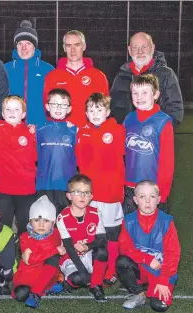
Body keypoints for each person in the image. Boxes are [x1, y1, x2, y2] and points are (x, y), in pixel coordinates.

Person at [76, 92, 125, 285]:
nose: (95, 113)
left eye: (99, 109)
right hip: (90, 195)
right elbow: (80, 162)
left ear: (108, 111)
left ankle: (111, 270)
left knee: (112, 233)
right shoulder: (82, 132)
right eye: (91, 110)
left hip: (110, 193)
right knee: (94, 233)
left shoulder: (117, 130)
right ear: (86, 113)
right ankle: (94, 267)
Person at [117, 180, 180, 312]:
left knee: (158, 306)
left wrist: (163, 280)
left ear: (159, 200)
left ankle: (153, 286)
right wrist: (147, 259)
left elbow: (173, 254)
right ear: (135, 199)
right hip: (141, 267)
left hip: (161, 270)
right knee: (122, 261)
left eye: (152, 196)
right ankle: (139, 293)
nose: (147, 201)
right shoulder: (129, 220)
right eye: (142, 196)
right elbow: (124, 247)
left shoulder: (166, 222)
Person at [122, 74, 174, 214]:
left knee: (154, 230)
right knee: (131, 226)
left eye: (145, 92)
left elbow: (167, 161)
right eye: (135, 93)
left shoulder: (163, 121)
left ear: (156, 94)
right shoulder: (129, 118)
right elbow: (121, 151)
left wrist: (162, 191)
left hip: (152, 188)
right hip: (130, 185)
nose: (139, 97)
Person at [110, 32, 183, 128]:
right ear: (129, 50)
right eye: (135, 47)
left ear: (152, 48)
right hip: (125, 136)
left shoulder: (166, 74)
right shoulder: (121, 75)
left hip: (153, 138)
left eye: (144, 46)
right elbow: (111, 107)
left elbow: (175, 111)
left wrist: (158, 132)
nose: (140, 52)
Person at [56, 175, 108, 302]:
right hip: (70, 257)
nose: (83, 196)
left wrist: (87, 246)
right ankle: (68, 281)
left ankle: (96, 286)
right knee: (79, 279)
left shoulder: (96, 213)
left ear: (91, 196)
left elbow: (102, 239)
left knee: (102, 252)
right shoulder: (62, 217)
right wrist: (82, 271)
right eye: (78, 192)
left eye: (86, 193)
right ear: (69, 196)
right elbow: (68, 246)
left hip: (88, 253)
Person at [0, 96, 37, 236]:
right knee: (3, 226)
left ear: (23, 115)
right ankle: (4, 255)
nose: (12, 112)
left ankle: (27, 255)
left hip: (26, 190)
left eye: (16, 109)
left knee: (26, 227)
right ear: (2, 113)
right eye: (8, 109)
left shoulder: (32, 133)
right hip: (2, 189)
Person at [43, 30, 109, 128]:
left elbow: (104, 107)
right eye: (69, 46)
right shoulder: (52, 76)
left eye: (77, 45)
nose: (73, 50)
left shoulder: (98, 76)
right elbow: (47, 107)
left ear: (84, 46)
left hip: (89, 132)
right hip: (63, 133)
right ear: (64, 48)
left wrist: (93, 127)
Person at [12, 195, 66, 309]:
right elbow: (31, 259)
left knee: (54, 257)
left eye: (46, 221)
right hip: (28, 276)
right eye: (36, 220)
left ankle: (37, 292)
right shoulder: (25, 237)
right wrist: (54, 250)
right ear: (30, 221)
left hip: (47, 274)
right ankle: (45, 288)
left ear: (53, 222)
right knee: (20, 294)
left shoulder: (57, 233)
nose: (41, 224)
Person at [4, 20, 54, 127]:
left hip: (40, 126)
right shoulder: (5, 69)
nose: (24, 48)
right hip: (12, 127)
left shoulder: (48, 69)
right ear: (15, 46)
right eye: (20, 44)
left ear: (34, 46)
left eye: (28, 43)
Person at [36, 89, 78, 214]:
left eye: (63, 104)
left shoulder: (75, 131)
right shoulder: (38, 129)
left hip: (66, 186)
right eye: (54, 104)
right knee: (45, 221)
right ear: (47, 106)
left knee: (65, 223)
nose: (58, 108)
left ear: (69, 109)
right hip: (44, 185)